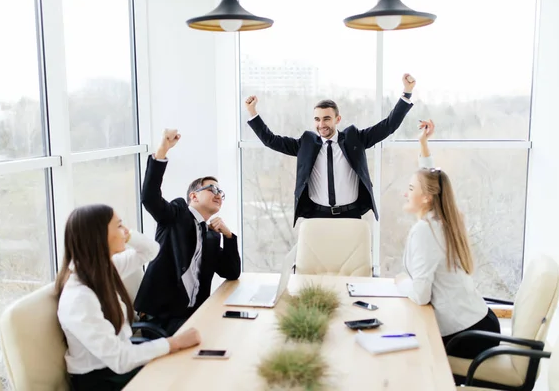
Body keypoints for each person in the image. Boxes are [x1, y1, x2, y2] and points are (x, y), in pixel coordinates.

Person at [56, 204, 201, 391]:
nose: (125, 231)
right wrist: (174, 343)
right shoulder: (79, 298)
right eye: (118, 226)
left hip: (120, 363)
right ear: (99, 236)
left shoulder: (105, 268)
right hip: (102, 380)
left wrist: (129, 235)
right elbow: (120, 360)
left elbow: (151, 251)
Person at [244, 74, 416, 226]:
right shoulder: (306, 144)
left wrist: (406, 93)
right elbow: (271, 140)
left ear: (337, 119)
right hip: (317, 215)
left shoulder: (354, 138)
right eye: (317, 119)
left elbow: (388, 125)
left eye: (326, 119)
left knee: (350, 261)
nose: (321, 124)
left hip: (350, 215)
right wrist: (252, 112)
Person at [395, 120, 500, 359]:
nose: (405, 192)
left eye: (411, 188)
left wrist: (400, 281)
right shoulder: (446, 218)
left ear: (426, 198)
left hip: (467, 337)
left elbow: (420, 295)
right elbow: (434, 182)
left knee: (407, 356)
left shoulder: (426, 230)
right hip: (481, 324)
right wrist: (423, 145)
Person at [134, 129, 241, 336]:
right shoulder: (176, 213)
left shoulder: (210, 235)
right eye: (213, 189)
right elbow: (149, 197)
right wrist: (162, 151)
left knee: (233, 330)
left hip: (191, 315)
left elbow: (231, 272)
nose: (219, 195)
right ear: (194, 196)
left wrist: (228, 237)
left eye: (221, 192)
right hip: (162, 319)